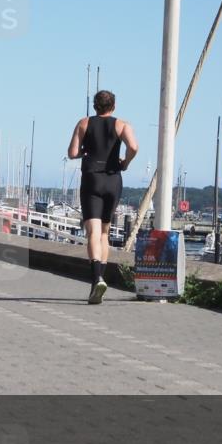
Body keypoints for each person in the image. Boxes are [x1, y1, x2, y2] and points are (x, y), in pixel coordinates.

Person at [67, 90, 138, 304]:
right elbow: (133, 147)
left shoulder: (83, 123)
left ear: (94, 106)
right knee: (105, 233)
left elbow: (72, 153)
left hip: (92, 179)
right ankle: (100, 279)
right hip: (113, 179)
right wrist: (125, 162)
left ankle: (96, 278)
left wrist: (84, 152)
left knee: (93, 232)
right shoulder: (122, 125)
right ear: (113, 106)